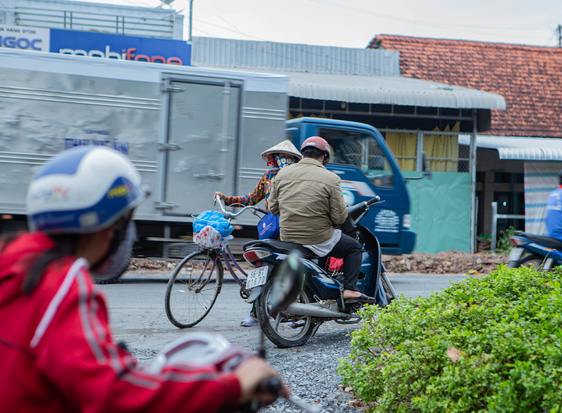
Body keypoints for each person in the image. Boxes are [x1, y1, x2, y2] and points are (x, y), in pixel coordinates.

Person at [0, 146, 284, 412]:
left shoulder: (14, 260)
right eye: (125, 220)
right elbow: (115, 394)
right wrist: (232, 385)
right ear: (104, 224)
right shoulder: (62, 288)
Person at [268, 136, 375, 304]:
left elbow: (273, 208)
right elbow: (340, 217)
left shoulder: (282, 174)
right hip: (317, 238)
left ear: (303, 154)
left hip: (287, 237)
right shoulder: (331, 178)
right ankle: (349, 290)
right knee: (354, 247)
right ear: (324, 157)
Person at [214, 139, 302, 326]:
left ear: (294, 160)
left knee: (288, 271)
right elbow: (251, 199)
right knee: (261, 270)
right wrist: (227, 199)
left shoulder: (298, 176)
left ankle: (295, 314)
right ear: (274, 158)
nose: (285, 159)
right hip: (272, 229)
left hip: (291, 228)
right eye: (281, 156)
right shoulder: (268, 177)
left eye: (289, 157)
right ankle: (255, 313)